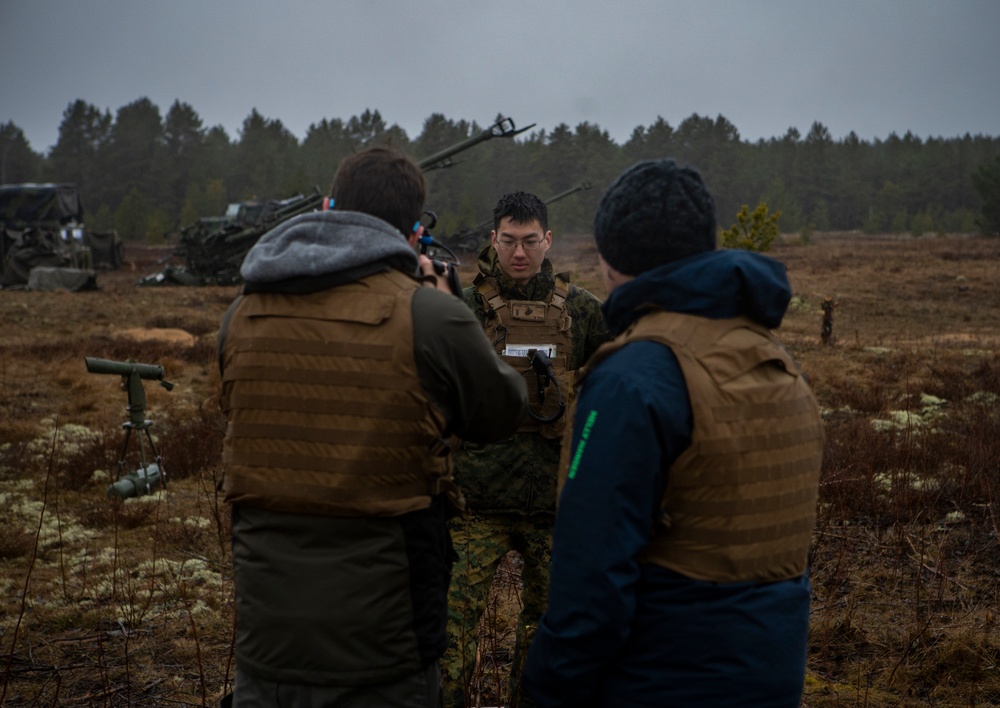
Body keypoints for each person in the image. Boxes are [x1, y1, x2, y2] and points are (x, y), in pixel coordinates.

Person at [217, 145, 529, 708]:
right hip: (386, 643)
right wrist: (447, 305)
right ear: (413, 234)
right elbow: (501, 411)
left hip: (267, 636)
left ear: (330, 206)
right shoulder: (428, 314)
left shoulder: (241, 314)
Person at [521, 159, 825, 707]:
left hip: (658, 682)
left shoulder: (631, 380)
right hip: (771, 676)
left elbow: (590, 591)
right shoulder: (776, 362)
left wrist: (546, 687)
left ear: (610, 261)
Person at [442, 191, 608, 707]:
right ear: (494, 239)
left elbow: (612, 395)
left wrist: (584, 462)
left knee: (546, 647)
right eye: (509, 241)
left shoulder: (581, 311)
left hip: (552, 508)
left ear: (548, 240)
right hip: (475, 505)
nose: (519, 253)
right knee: (450, 644)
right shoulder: (462, 309)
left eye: (530, 241)